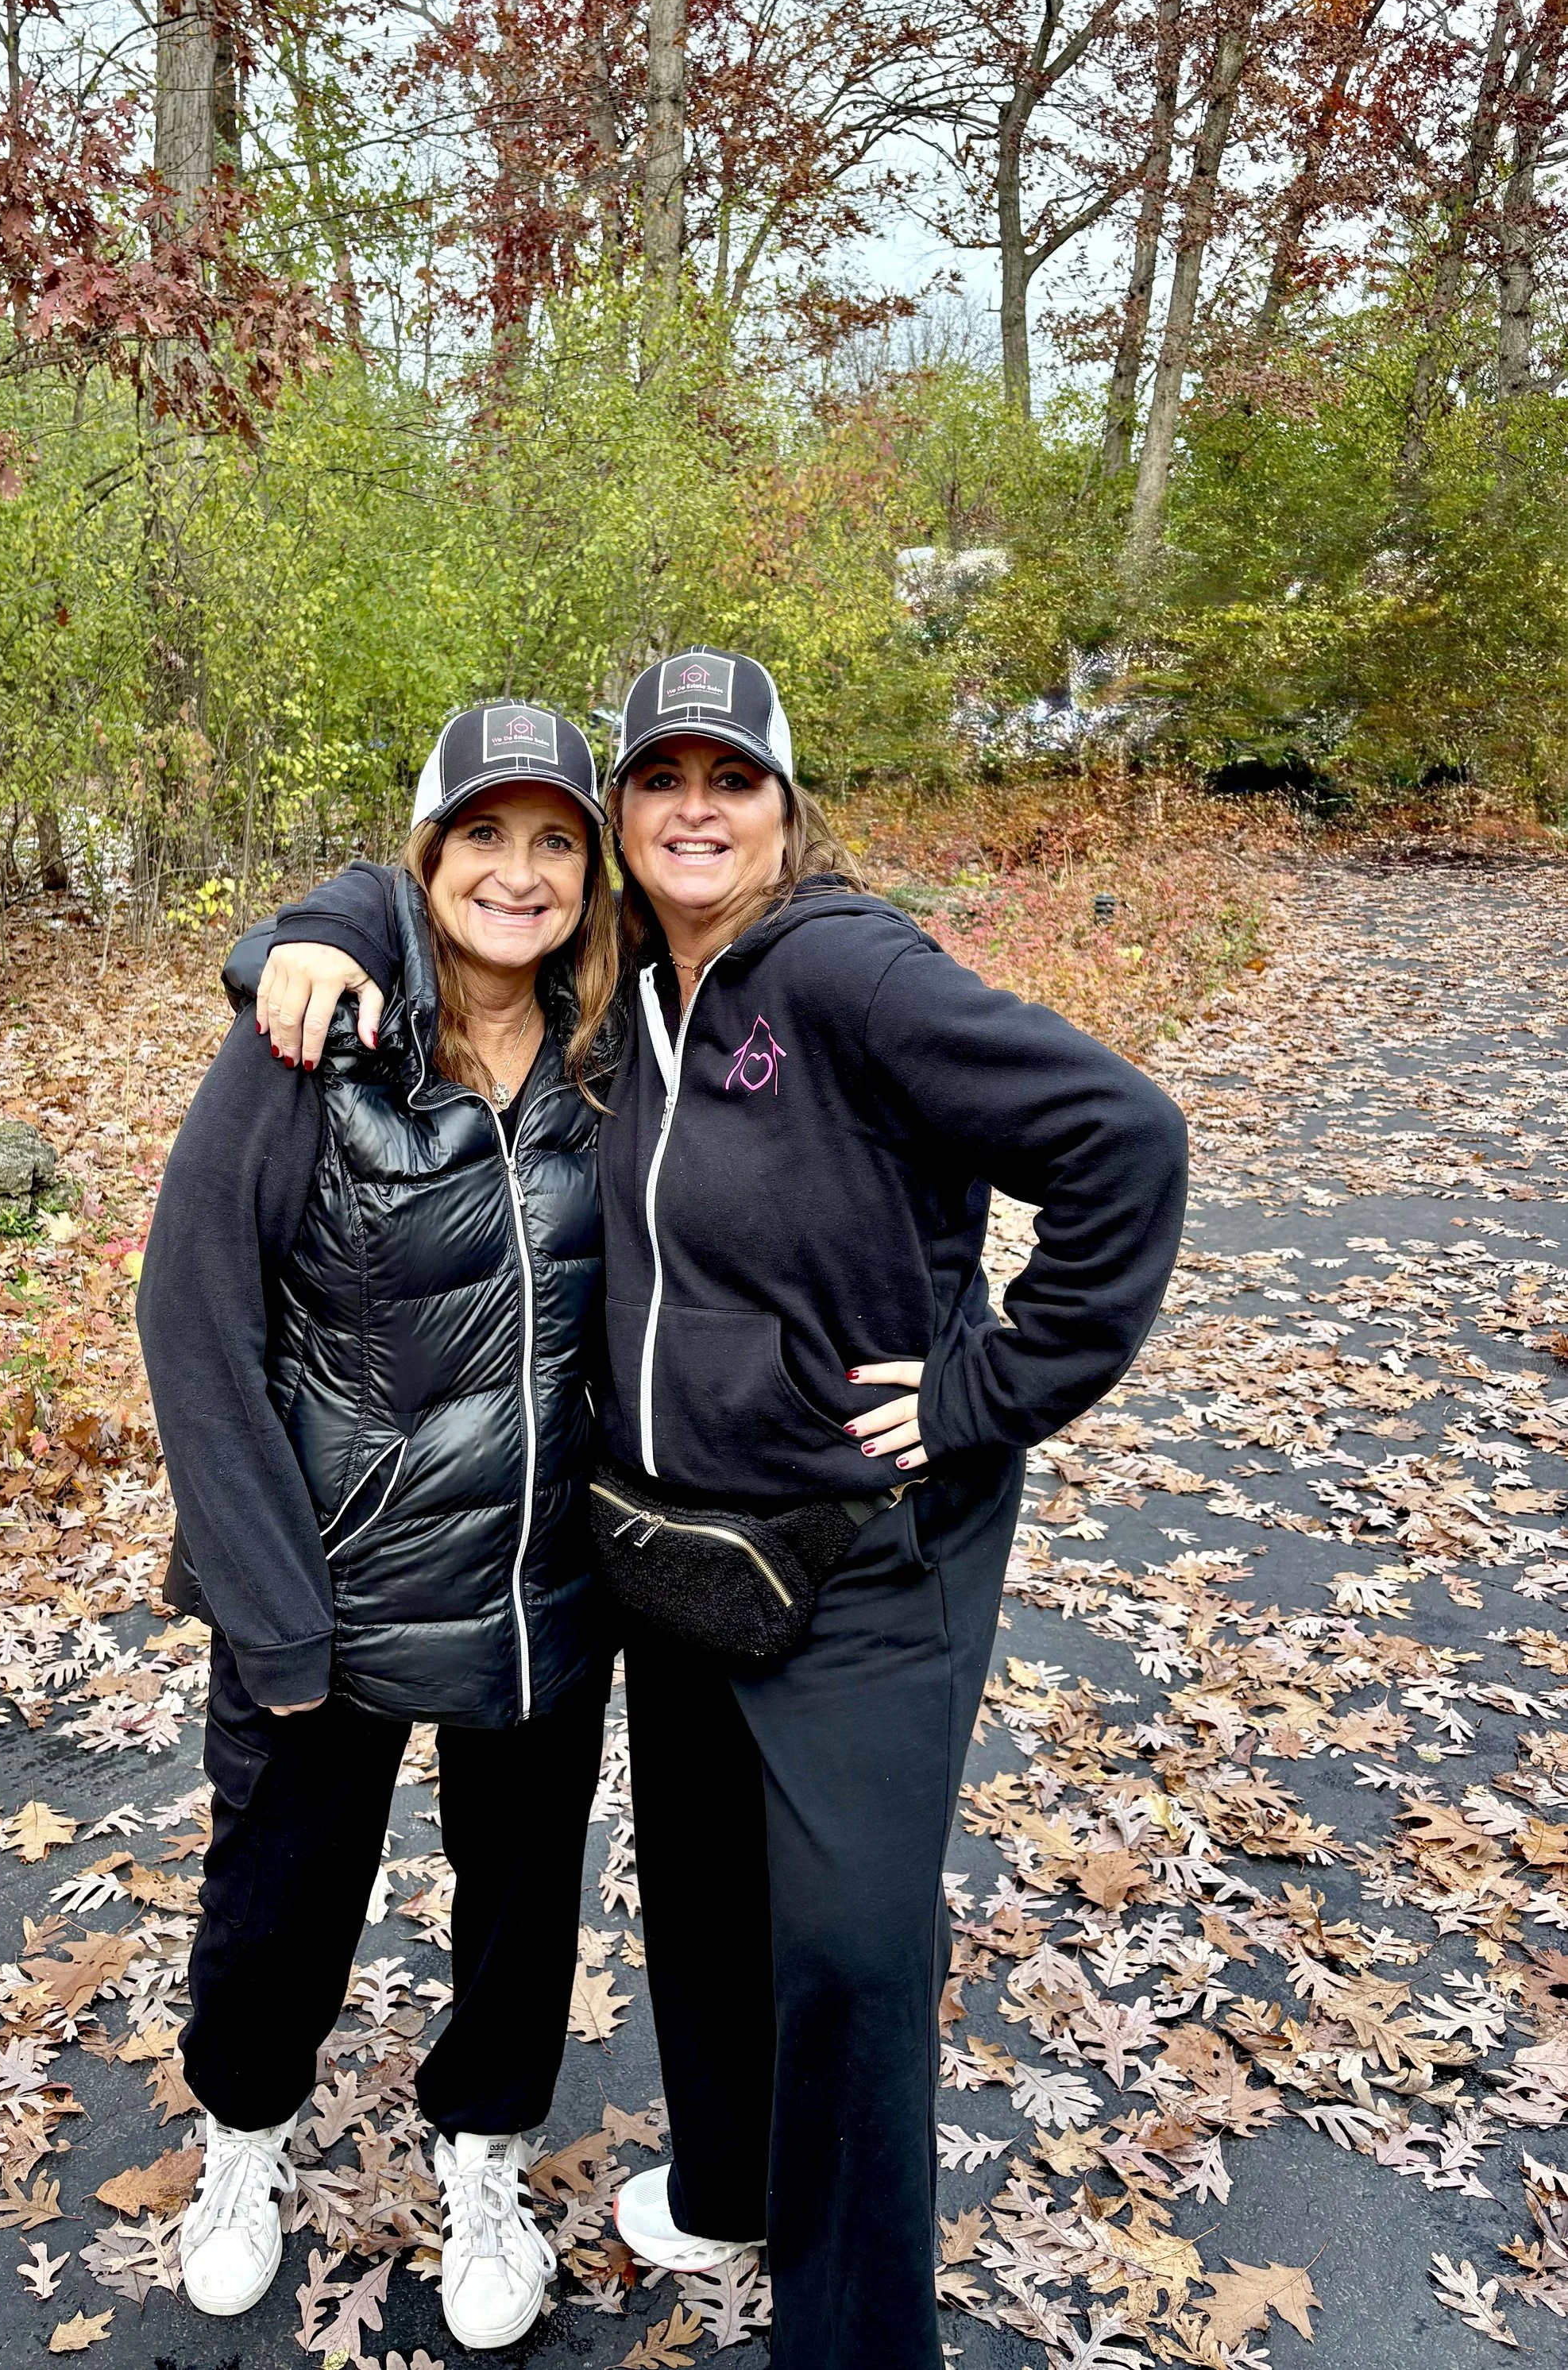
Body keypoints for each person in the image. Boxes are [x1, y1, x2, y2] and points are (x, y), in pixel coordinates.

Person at [255, 651, 1189, 2369]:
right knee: (698, 1892)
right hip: (676, 1544)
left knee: (843, 1953)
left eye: (729, 778)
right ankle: (727, 2183)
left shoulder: (844, 974)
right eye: (660, 780)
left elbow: (1120, 1140)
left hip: (857, 1547)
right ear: (622, 820)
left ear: (783, 807)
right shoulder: (631, 995)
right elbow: (447, 904)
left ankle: (852, 2340)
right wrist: (305, 926)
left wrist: (992, 1388)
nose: (693, 807)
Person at [136, 700, 625, 2352]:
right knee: (272, 1907)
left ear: (592, 867)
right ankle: (241, 2145)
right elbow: (189, 1313)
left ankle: (482, 2159)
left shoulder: (614, 1053)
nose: (517, 869)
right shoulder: (312, 1039)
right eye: (479, 834)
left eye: (554, 837)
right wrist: (268, 1608)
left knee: (515, 1915)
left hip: (536, 1588)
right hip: (328, 1593)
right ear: (422, 857)